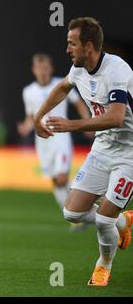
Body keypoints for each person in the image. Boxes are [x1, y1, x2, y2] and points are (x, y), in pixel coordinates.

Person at [34, 17, 133, 286]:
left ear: (88, 46)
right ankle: (124, 222)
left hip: (129, 154)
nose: (67, 49)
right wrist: (39, 116)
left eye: (71, 43)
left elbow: (115, 117)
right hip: (102, 149)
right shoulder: (78, 68)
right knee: (72, 214)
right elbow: (63, 86)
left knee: (102, 219)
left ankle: (104, 265)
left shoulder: (117, 71)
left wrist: (71, 125)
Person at [18, 53, 91, 231]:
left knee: (61, 178)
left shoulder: (62, 85)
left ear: (51, 69)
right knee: (55, 181)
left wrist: (87, 122)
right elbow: (31, 116)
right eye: (39, 68)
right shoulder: (28, 91)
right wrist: (26, 127)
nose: (42, 71)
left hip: (61, 138)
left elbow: (79, 104)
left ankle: (86, 198)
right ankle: (76, 218)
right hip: (42, 142)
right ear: (33, 70)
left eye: (45, 68)